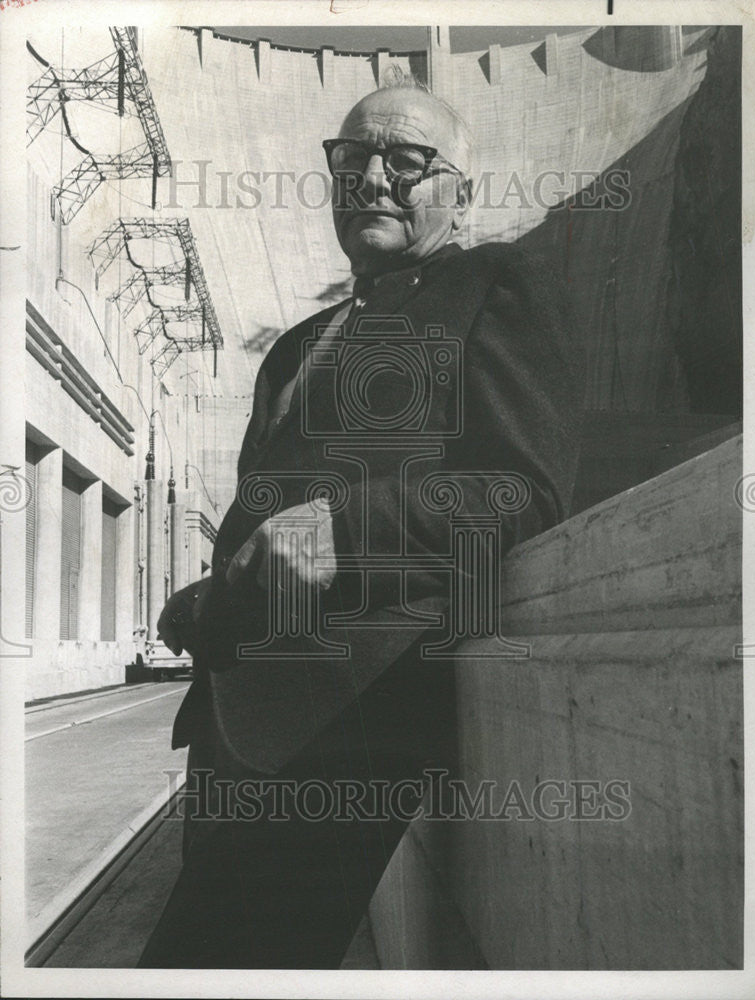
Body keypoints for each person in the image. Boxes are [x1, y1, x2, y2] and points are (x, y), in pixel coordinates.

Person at [139, 79, 585, 969]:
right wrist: (211, 594)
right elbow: (264, 520)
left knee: (217, 965)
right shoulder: (297, 347)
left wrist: (344, 528)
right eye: (353, 158)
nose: (374, 177)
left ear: (460, 189)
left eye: (407, 159)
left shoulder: (493, 287)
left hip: (352, 719)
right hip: (233, 724)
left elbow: (523, 492)